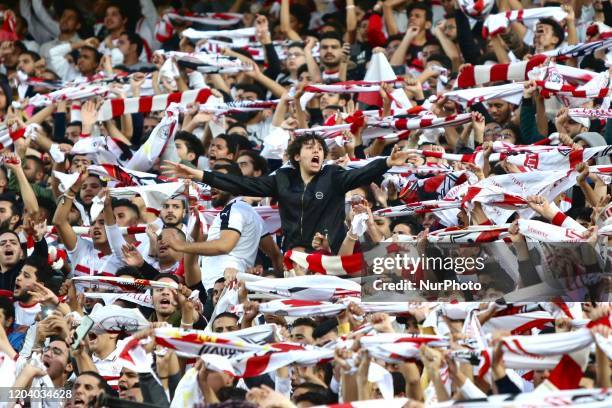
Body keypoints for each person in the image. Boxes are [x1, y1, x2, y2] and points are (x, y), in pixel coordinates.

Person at [162, 134, 411, 252]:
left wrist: (387, 162)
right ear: (295, 156)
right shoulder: (282, 179)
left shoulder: (333, 177)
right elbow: (243, 185)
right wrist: (200, 175)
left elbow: (362, 174)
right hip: (295, 252)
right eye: (310, 148)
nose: (317, 153)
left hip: (332, 251)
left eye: (320, 150)